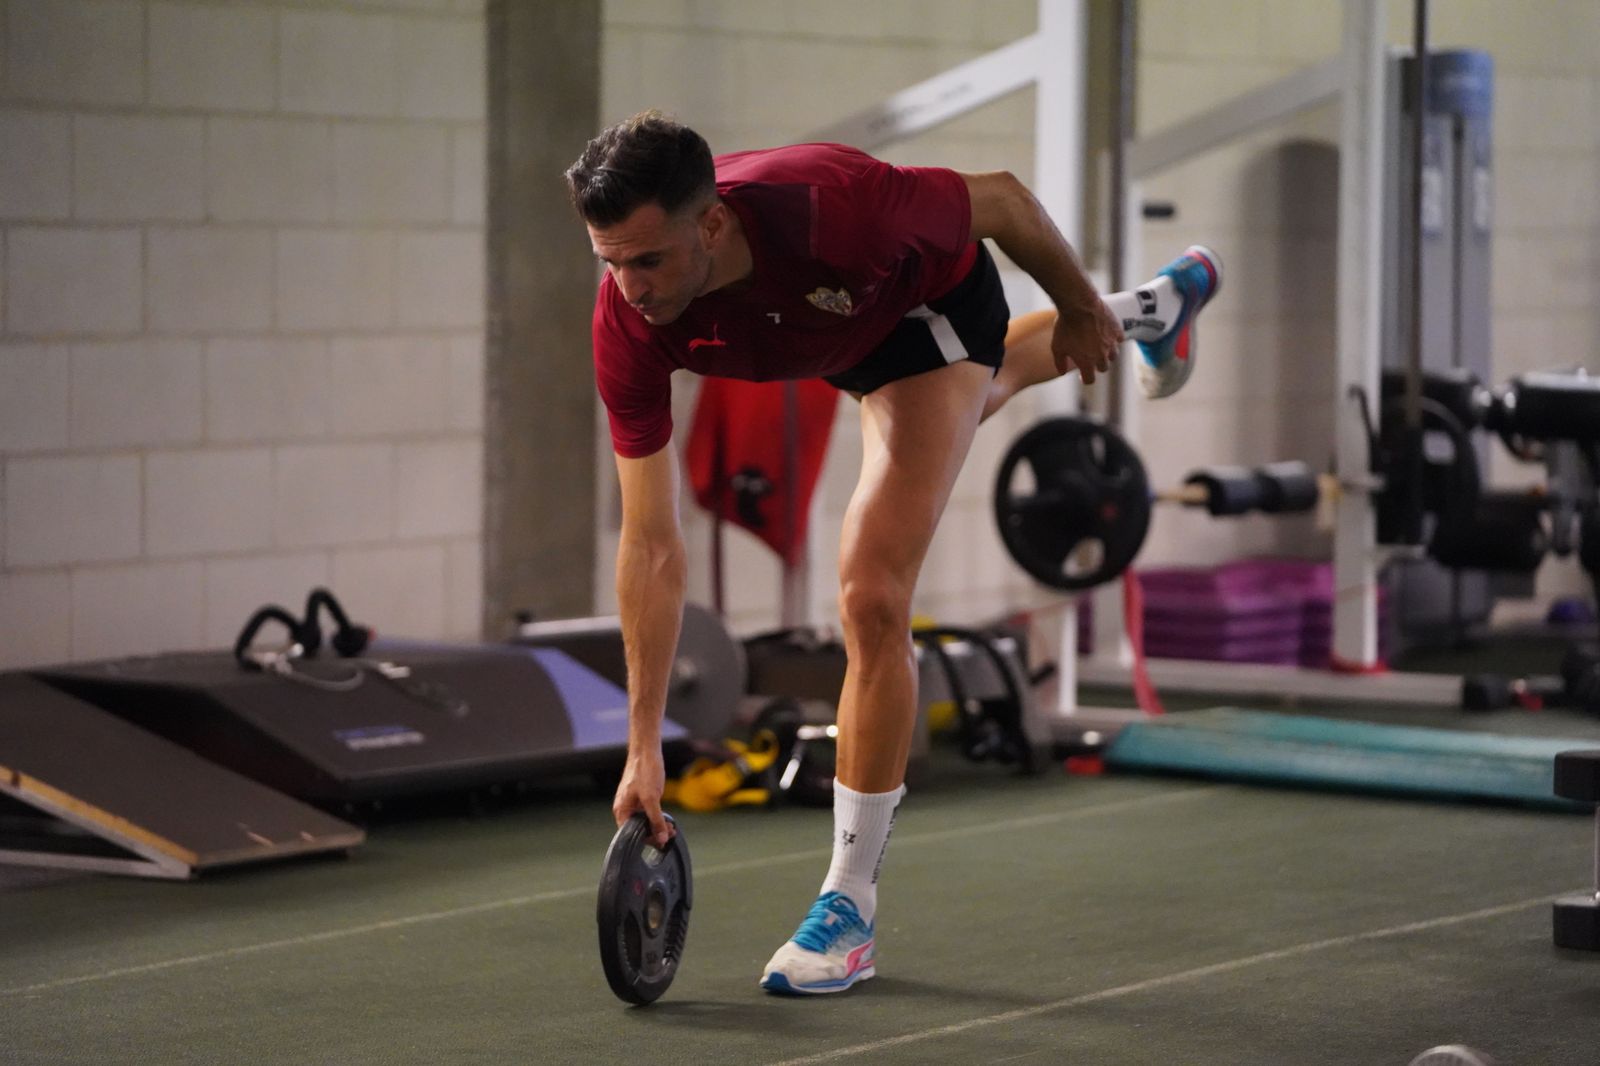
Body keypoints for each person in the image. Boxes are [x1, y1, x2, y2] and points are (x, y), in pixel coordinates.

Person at [565, 110, 1221, 996]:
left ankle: (849, 907)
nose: (631, 287)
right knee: (978, 397)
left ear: (711, 223)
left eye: (648, 260)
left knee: (871, 588)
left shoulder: (834, 209)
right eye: (611, 262)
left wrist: (1071, 305)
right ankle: (1158, 307)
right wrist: (643, 745)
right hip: (832, 330)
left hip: (928, 306)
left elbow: (1005, 202)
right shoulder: (628, 319)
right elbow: (649, 545)